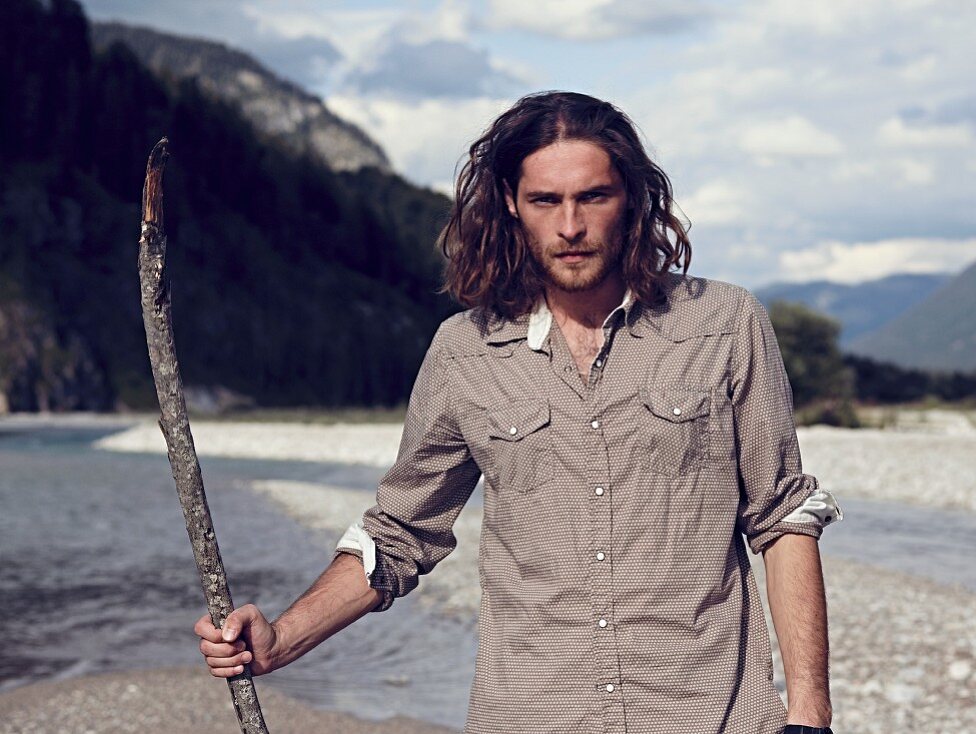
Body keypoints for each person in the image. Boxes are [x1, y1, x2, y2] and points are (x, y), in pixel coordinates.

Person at [195, 91, 842, 734]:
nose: (569, 227)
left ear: (633, 198)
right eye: (545, 201)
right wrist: (281, 639)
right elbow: (401, 534)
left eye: (593, 197)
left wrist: (809, 716)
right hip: (533, 714)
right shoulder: (464, 353)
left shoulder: (724, 325)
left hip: (707, 715)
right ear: (510, 202)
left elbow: (782, 518)